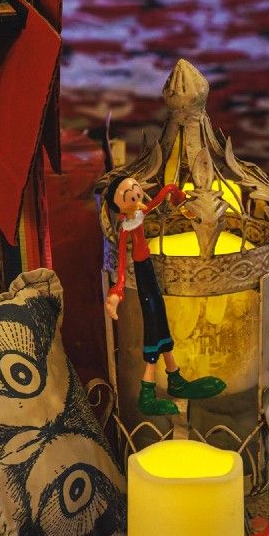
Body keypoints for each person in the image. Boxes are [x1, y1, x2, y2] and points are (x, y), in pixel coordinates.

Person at [102, 173, 226, 418]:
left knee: (161, 322)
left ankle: (175, 377)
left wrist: (176, 193)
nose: (138, 198)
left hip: (148, 268)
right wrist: (116, 292)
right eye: (131, 197)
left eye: (138, 192)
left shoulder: (140, 213)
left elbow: (161, 195)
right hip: (142, 272)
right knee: (154, 327)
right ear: (119, 205)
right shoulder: (127, 227)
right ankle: (147, 394)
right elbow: (122, 266)